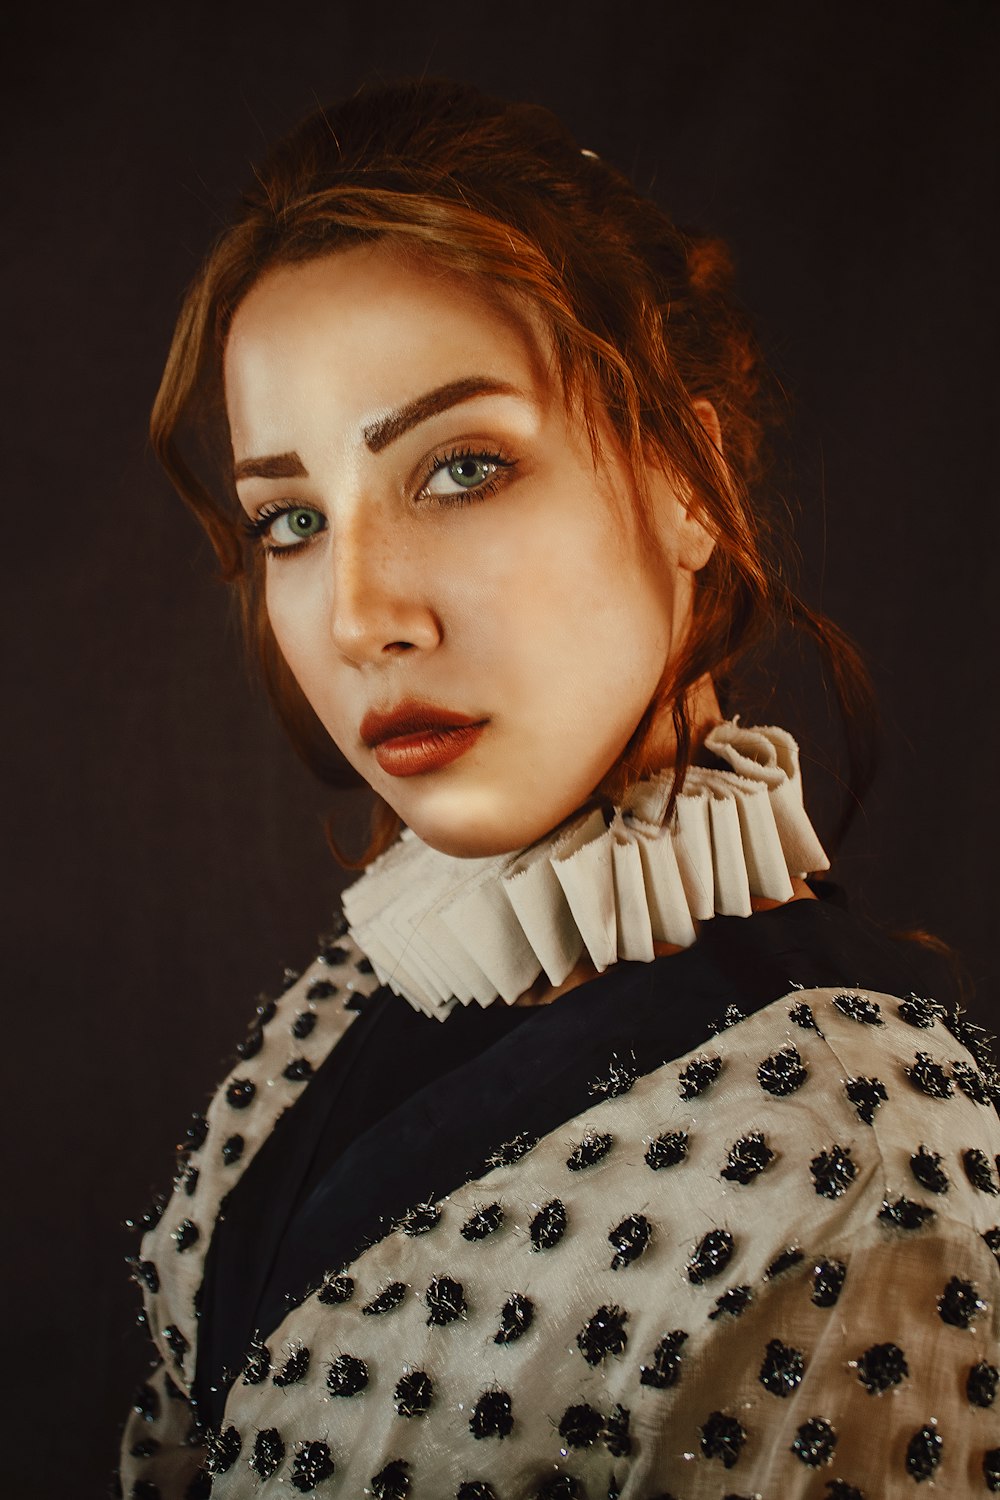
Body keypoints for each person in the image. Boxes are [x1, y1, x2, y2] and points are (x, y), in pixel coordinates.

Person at [119, 79, 1000, 1500]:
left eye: (460, 469)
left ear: (688, 480)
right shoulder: (344, 1002)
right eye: (291, 518)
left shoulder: (864, 1170)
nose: (358, 616)